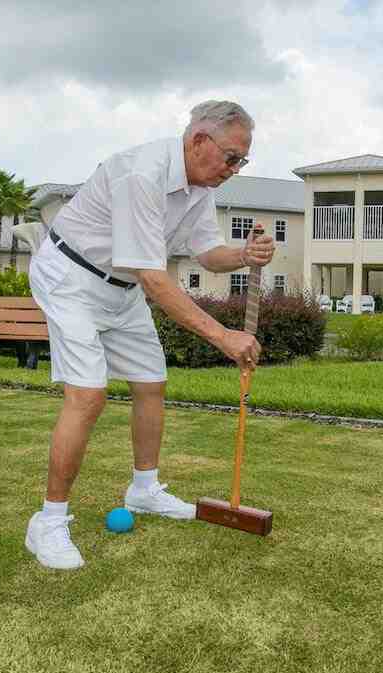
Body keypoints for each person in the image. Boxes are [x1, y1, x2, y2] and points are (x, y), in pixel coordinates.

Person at [23, 100, 274, 569]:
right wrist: (224, 336)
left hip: (122, 284)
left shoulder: (200, 184)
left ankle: (143, 490)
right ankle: (49, 522)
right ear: (199, 141)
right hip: (70, 277)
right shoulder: (141, 174)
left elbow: (207, 252)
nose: (234, 169)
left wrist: (243, 255)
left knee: (151, 384)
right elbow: (156, 280)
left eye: (242, 161)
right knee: (88, 395)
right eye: (231, 158)